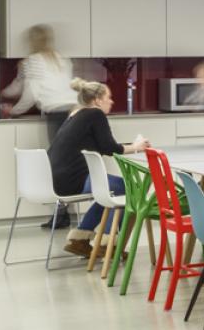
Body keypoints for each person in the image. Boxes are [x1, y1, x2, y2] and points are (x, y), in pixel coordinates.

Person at [49, 79, 148, 258]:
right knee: (127, 188)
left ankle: (79, 239)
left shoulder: (75, 114)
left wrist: (133, 146)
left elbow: (104, 146)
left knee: (107, 191)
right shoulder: (95, 114)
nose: (112, 101)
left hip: (58, 179)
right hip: (76, 180)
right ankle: (108, 244)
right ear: (97, 100)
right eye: (108, 97)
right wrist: (136, 147)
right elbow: (110, 148)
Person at [2, 24, 78, 141]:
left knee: (58, 151)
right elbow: (19, 86)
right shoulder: (61, 58)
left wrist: (13, 111)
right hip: (77, 111)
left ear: (31, 42)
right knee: (71, 150)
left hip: (58, 115)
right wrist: (4, 93)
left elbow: (30, 95)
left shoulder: (34, 61)